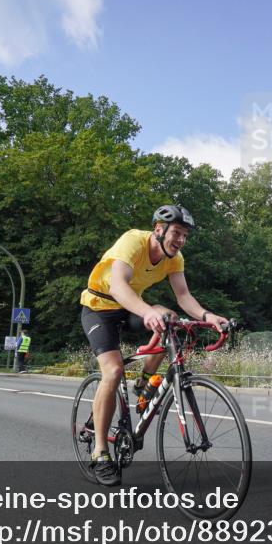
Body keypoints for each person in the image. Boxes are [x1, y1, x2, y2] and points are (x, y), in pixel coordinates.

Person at [80, 205, 227, 487]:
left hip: (129, 307)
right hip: (99, 307)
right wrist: (147, 312)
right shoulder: (133, 241)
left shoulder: (175, 258)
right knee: (113, 371)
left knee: (169, 318)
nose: (181, 240)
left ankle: (144, 382)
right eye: (176, 233)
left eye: (185, 235)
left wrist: (208, 316)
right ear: (159, 229)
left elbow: (184, 296)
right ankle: (100, 451)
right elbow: (118, 287)